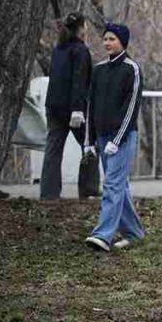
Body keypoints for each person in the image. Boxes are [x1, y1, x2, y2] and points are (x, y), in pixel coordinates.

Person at [83, 23, 144, 251]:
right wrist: (89, 141)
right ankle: (134, 232)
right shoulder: (99, 70)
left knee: (112, 185)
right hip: (101, 137)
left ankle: (102, 235)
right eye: (105, 39)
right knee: (118, 186)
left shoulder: (132, 69)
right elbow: (91, 106)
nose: (107, 43)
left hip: (123, 138)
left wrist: (117, 140)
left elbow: (131, 109)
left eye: (112, 39)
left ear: (122, 42)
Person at [40, 12, 100, 199]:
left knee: (53, 150)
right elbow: (79, 81)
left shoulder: (59, 49)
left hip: (54, 107)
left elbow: (57, 79)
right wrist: (77, 109)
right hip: (73, 109)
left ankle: (48, 194)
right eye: (86, 26)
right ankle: (88, 189)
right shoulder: (80, 50)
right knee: (90, 145)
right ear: (81, 28)